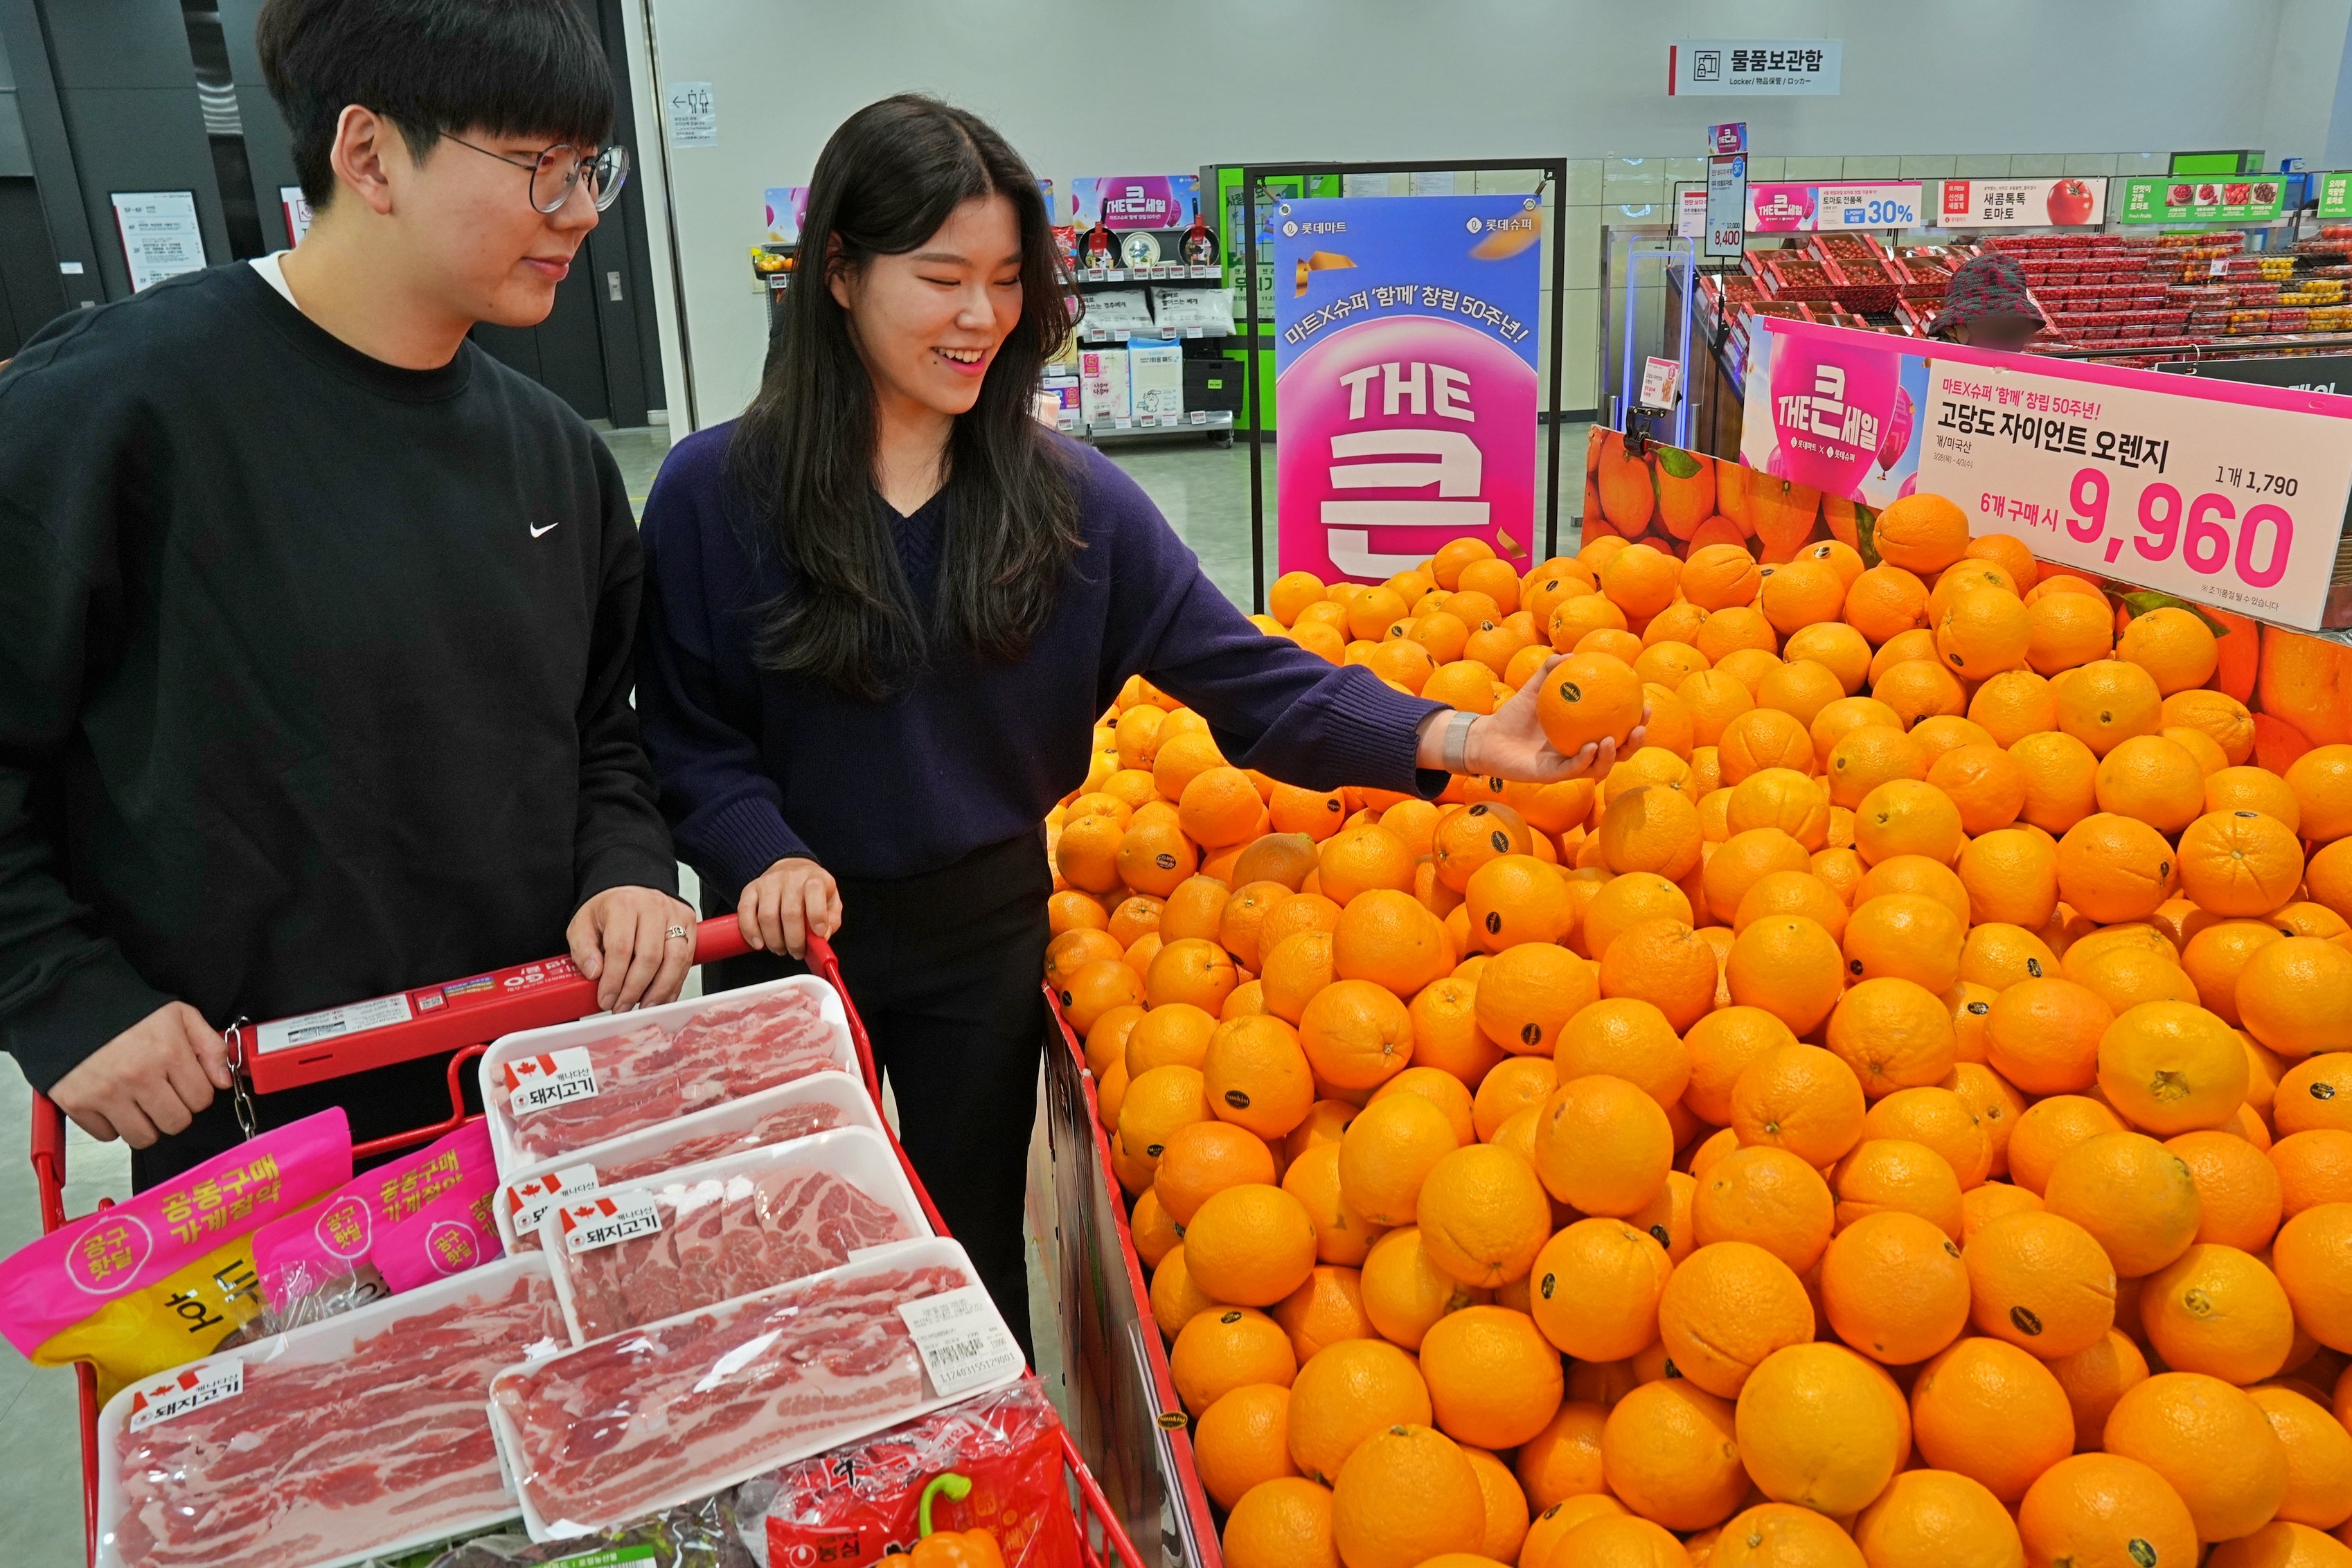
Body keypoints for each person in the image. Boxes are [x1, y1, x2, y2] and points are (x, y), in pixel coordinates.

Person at [634, 95, 1625, 1345]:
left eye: (1005, 280)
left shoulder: (1069, 505)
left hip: (980, 933)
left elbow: (1250, 679)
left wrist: (1463, 738)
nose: (980, 317)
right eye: (941, 277)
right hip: (780, 937)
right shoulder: (714, 492)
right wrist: (758, 848)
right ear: (838, 272)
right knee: (784, 1260)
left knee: (968, 1261)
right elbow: (686, 733)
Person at [0, 0, 695, 1186]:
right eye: (539, 169)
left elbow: (597, 732)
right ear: (370, 155)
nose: (579, 212)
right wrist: (61, 991)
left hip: (524, 1088)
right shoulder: (108, 414)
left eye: (592, 170)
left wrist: (625, 863)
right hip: (247, 1121)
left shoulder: (554, 453)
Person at [1929, 252, 2047, 351]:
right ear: (1951, 329)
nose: (2004, 342)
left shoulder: (2023, 375)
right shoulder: (1928, 370)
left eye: (2013, 331)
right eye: (1990, 330)